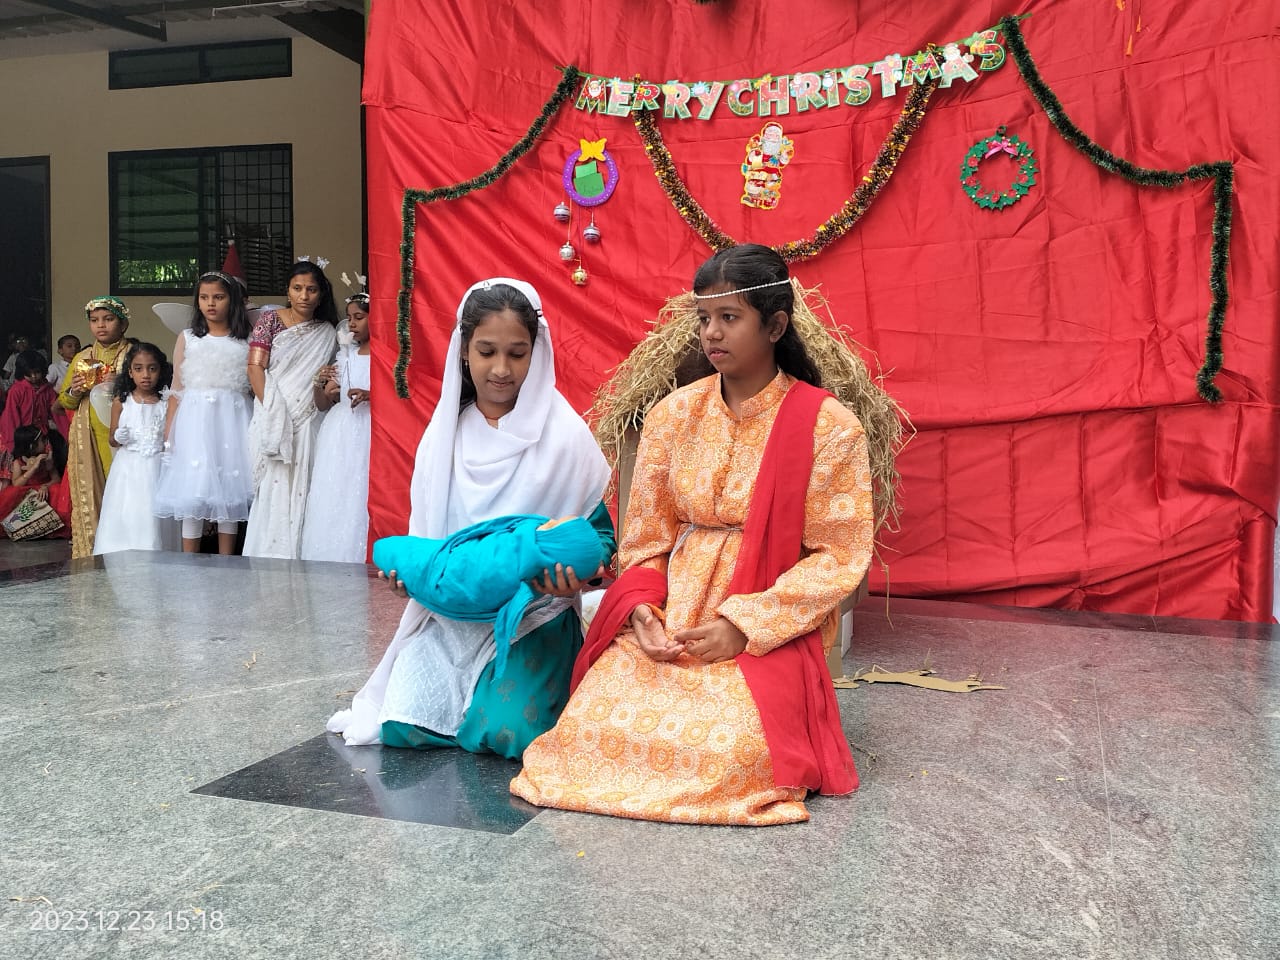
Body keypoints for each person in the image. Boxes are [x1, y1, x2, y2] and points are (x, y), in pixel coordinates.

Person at [512, 244, 875, 825]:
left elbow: (839, 556)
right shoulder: (673, 415)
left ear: (775, 326)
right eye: (704, 318)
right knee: (586, 729)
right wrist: (641, 613)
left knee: (730, 752)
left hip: (766, 626)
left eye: (729, 317)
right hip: (673, 618)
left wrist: (744, 625)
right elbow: (646, 539)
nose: (711, 333)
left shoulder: (829, 428)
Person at [328, 278, 614, 759]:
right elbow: (427, 542)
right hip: (451, 612)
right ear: (464, 351)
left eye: (517, 354)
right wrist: (412, 580)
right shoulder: (444, 437)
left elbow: (600, 537)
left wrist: (576, 577)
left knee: (503, 733)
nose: (501, 369)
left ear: (537, 353)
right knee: (400, 725)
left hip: (534, 615)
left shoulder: (566, 437)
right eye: (486, 352)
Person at [154, 271, 256, 555]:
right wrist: (169, 430)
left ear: (232, 300)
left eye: (219, 297)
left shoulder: (245, 338)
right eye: (204, 297)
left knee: (231, 486)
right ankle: (189, 558)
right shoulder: (188, 338)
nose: (211, 303)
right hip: (195, 420)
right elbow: (177, 386)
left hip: (234, 419)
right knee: (193, 487)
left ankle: (227, 559)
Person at [243, 260, 340, 558]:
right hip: (274, 413)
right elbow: (255, 368)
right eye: (297, 288)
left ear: (321, 295)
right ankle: (269, 557)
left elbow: (326, 382)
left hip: (308, 419)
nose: (304, 296)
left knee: (305, 487)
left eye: (311, 289)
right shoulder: (269, 320)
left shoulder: (327, 332)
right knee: (272, 488)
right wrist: (274, 410)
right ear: (288, 291)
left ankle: (300, 555)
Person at [57, 296, 132, 558]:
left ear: (123, 324)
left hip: (123, 433)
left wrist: (121, 382)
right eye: (94, 320)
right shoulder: (82, 357)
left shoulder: (133, 353)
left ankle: (126, 551)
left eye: (108, 319)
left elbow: (151, 389)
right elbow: (64, 401)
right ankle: (94, 553)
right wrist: (75, 390)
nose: (101, 325)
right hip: (88, 436)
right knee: (92, 493)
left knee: (123, 491)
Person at [300, 292, 372, 563]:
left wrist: (370, 394)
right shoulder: (344, 357)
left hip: (368, 428)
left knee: (360, 490)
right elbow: (322, 404)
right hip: (340, 431)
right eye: (349, 317)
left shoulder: (385, 356)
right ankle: (331, 553)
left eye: (359, 317)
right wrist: (319, 384)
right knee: (336, 490)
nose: (352, 323)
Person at [93, 343, 177, 555]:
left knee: (152, 512)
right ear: (130, 372)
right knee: (129, 510)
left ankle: (155, 554)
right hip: (128, 468)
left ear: (161, 370)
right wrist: (118, 436)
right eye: (138, 369)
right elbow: (112, 438)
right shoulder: (122, 401)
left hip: (157, 466)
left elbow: (170, 435)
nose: (145, 375)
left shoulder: (166, 403)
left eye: (152, 368)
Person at [0, 349, 58, 487]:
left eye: (37, 372)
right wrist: (13, 444)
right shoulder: (16, 390)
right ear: (22, 373)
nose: (33, 377)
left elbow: (57, 412)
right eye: (28, 374)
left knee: (44, 471)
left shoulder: (48, 390)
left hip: (39, 437)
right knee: (10, 478)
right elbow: (11, 418)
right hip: (17, 437)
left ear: (42, 370)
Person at [0, 426, 67, 532]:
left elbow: (56, 479)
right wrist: (34, 468)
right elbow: (16, 484)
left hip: (43, 492)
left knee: (57, 490)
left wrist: (45, 486)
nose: (45, 443)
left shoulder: (46, 459)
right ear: (32, 446)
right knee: (11, 494)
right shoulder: (18, 462)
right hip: (25, 494)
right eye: (42, 440)